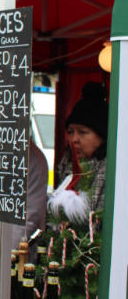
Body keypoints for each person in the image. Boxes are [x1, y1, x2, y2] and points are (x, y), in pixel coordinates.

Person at [55, 81, 108, 215]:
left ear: (102, 136)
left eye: (82, 132)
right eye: (71, 132)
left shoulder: (110, 174)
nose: (74, 139)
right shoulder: (66, 166)